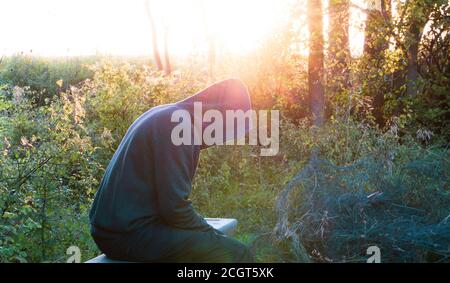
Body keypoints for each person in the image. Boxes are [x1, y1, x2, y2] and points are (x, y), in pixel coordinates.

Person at [89, 79, 254, 262]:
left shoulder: (166, 114)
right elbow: (175, 208)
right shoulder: (180, 128)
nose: (223, 137)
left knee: (213, 244)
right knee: (238, 253)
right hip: (127, 234)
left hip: (117, 228)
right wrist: (211, 234)